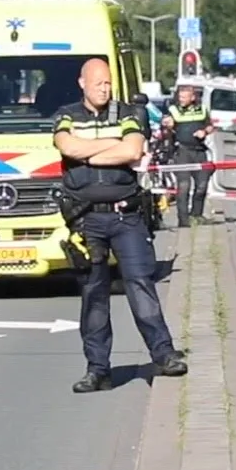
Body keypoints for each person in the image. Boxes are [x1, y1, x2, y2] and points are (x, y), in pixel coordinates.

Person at [53, 58, 187, 394]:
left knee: (141, 284)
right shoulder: (67, 114)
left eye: (108, 83)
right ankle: (97, 370)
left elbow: (133, 149)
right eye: (98, 82)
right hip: (86, 219)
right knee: (94, 295)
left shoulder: (129, 113)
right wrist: (109, 150)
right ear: (82, 82)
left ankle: (164, 354)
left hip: (126, 215)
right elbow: (66, 145)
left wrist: (89, 154)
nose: (104, 88)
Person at [162, 84, 213, 227]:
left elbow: (209, 125)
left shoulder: (202, 109)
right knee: (184, 186)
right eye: (180, 97)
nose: (181, 99)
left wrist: (204, 132)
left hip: (199, 151)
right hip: (182, 151)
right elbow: (166, 125)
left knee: (202, 185)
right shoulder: (173, 110)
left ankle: (196, 215)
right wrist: (168, 126)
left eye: (184, 97)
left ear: (193, 97)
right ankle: (183, 220)